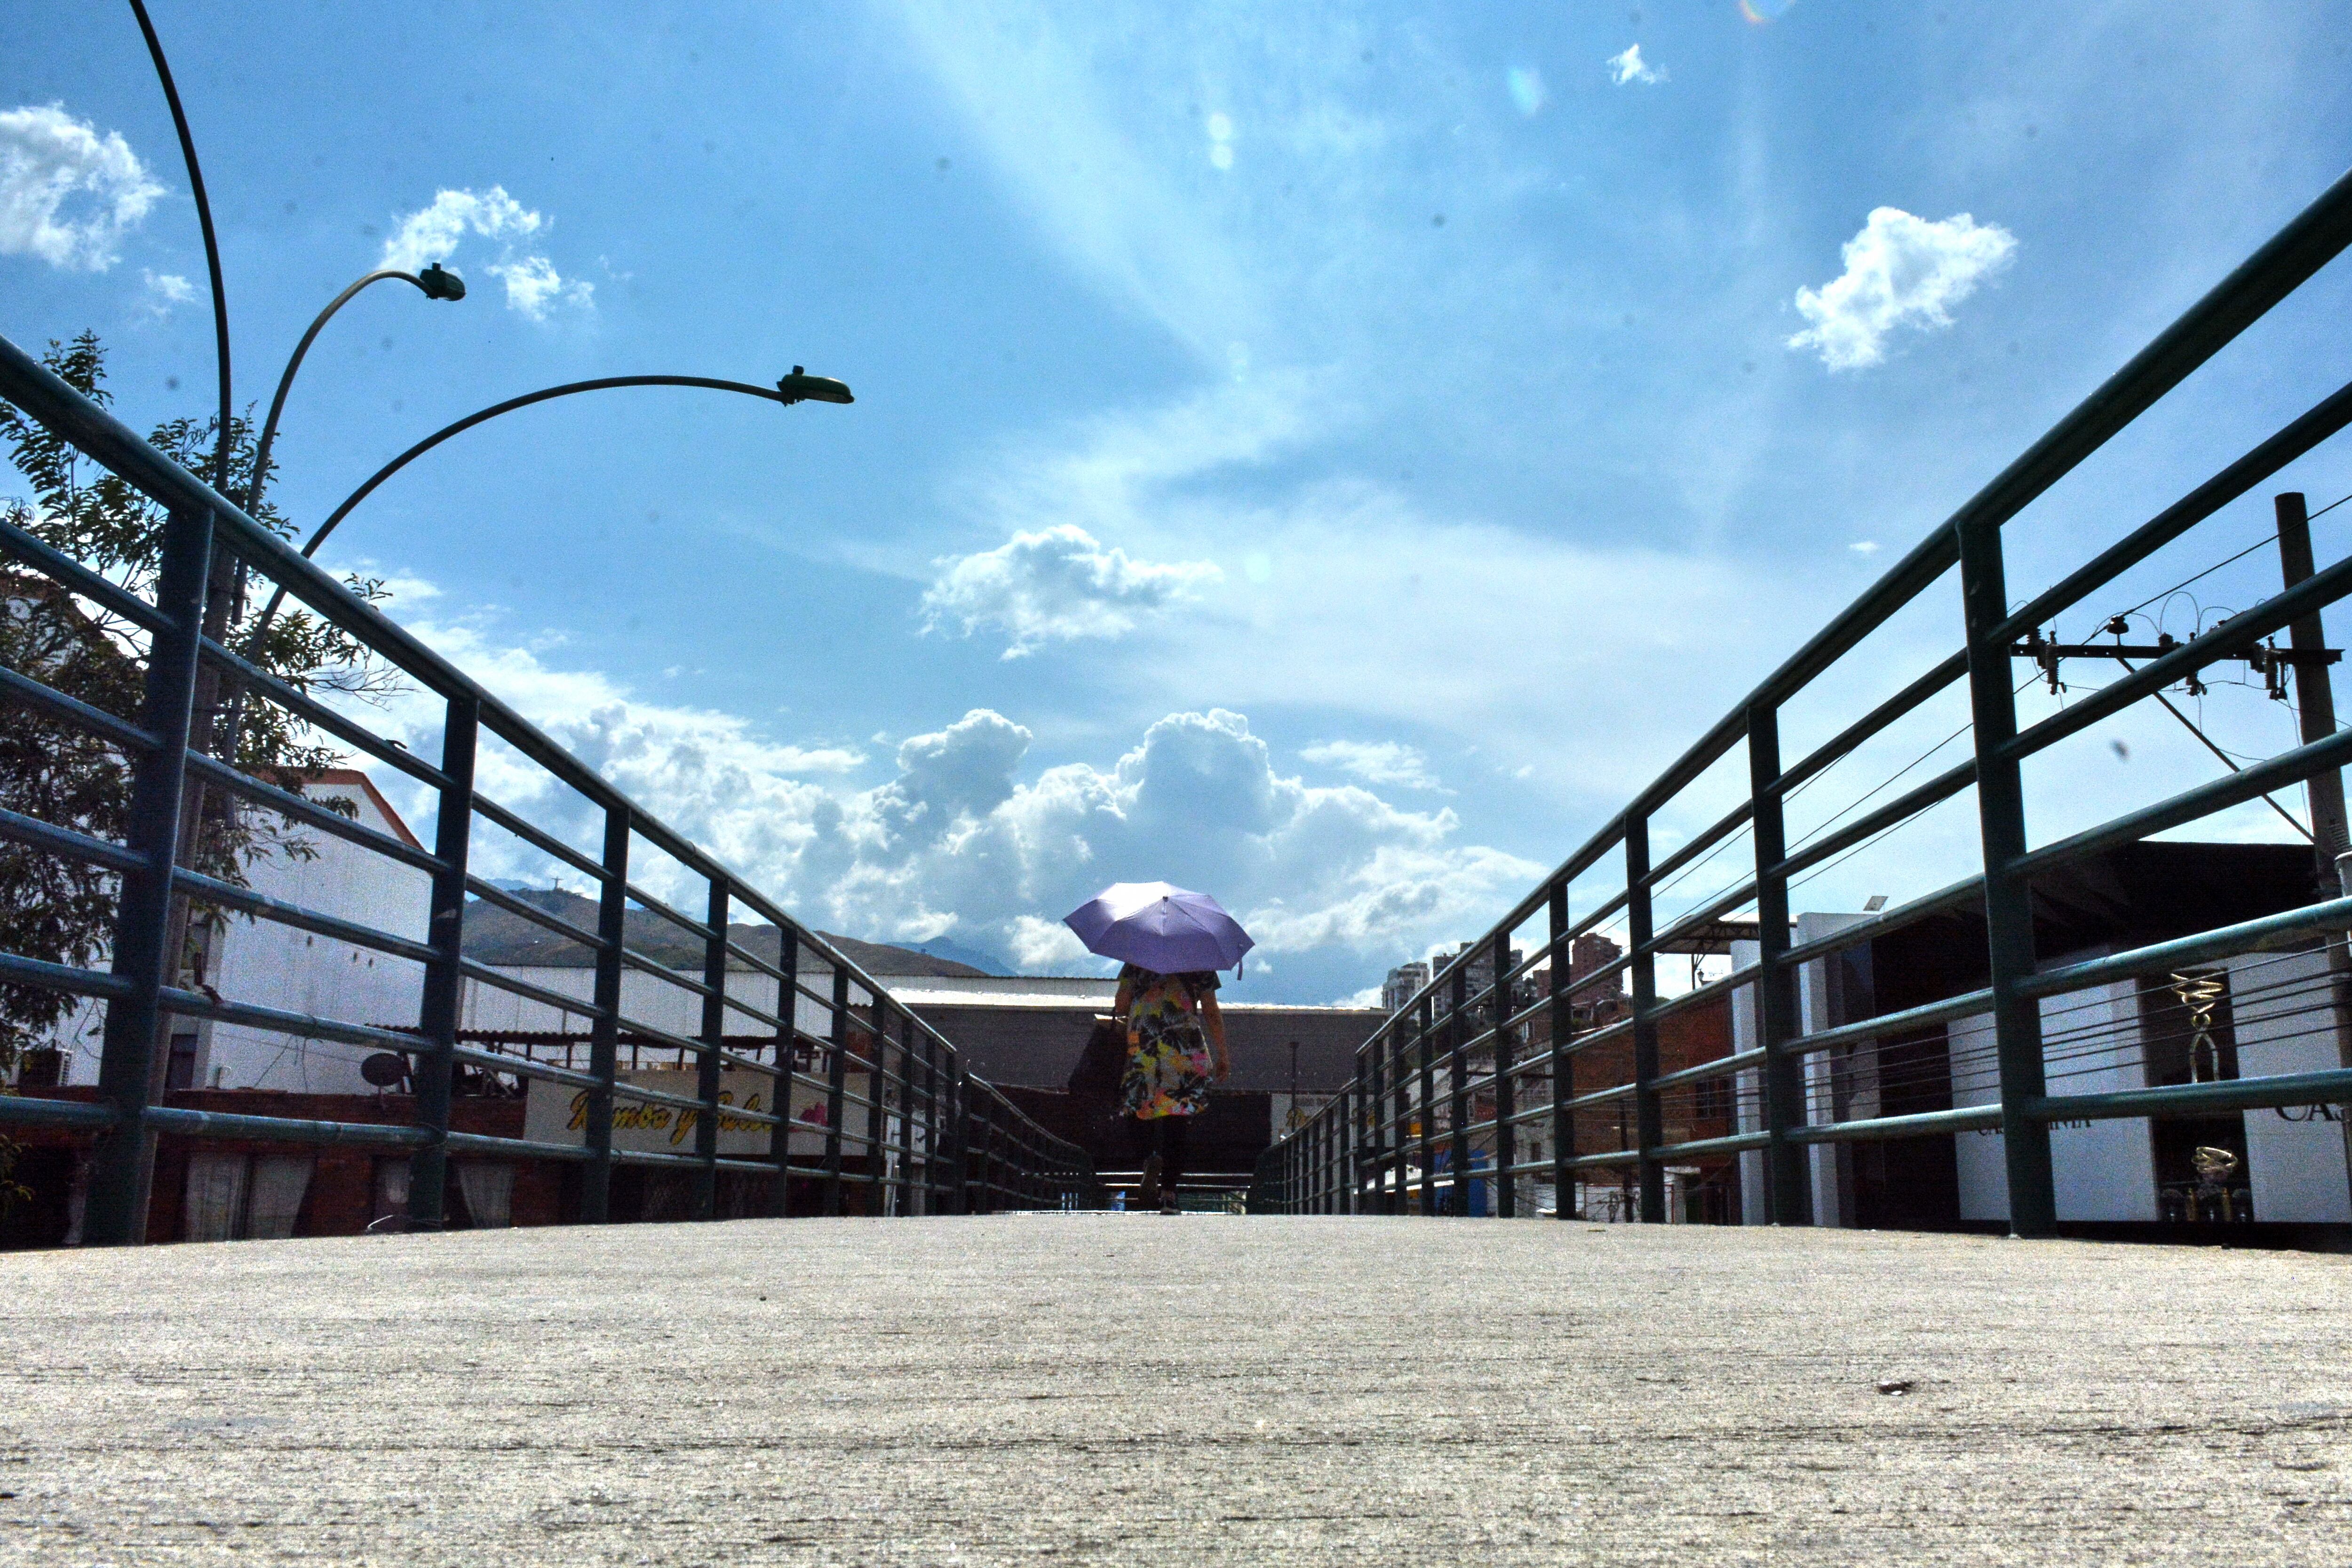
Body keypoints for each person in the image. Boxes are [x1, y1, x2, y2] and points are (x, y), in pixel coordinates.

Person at [1113, 961, 1229, 1213]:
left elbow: (1121, 1004)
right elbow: (1210, 1011)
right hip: (1182, 1049)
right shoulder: (1201, 960)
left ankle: (1149, 1157)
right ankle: (1169, 1195)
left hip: (1143, 1047)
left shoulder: (1137, 957)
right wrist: (1222, 1053)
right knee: (1177, 1120)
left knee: (1137, 1108)